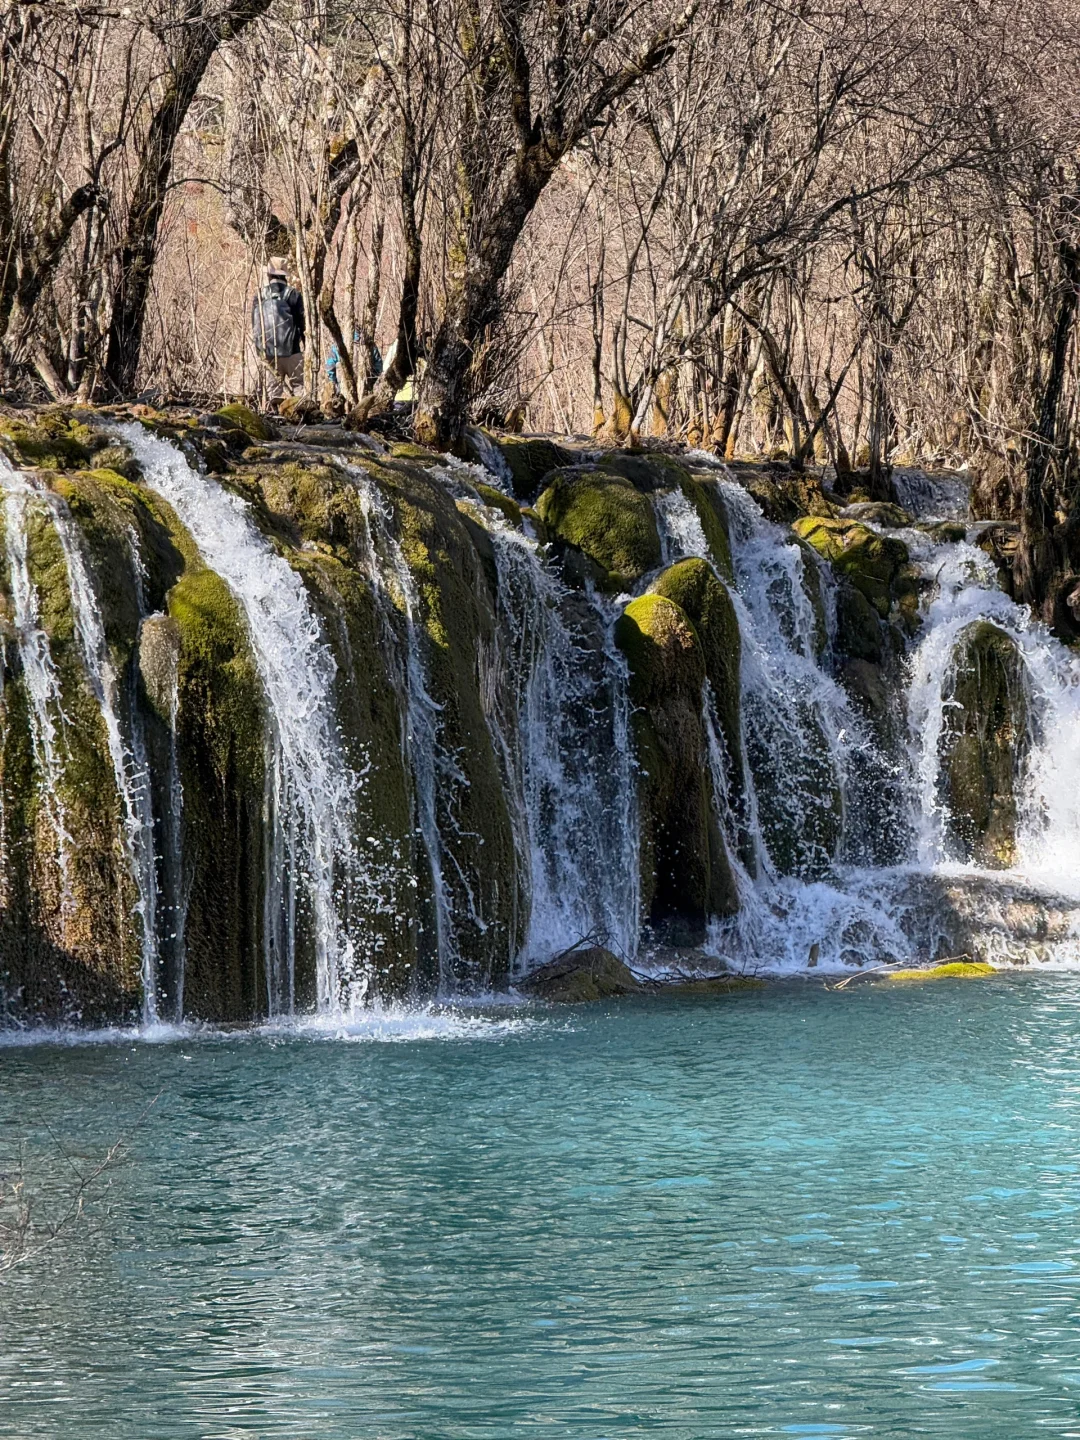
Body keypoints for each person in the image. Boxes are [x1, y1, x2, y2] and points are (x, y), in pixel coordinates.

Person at [251, 258, 305, 397]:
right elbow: (302, 324)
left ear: (269, 274)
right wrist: (306, 345)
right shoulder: (294, 295)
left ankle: (272, 411)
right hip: (292, 351)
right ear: (284, 275)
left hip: (269, 353)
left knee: (273, 394)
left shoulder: (259, 296)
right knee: (299, 388)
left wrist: (260, 350)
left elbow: (254, 325)